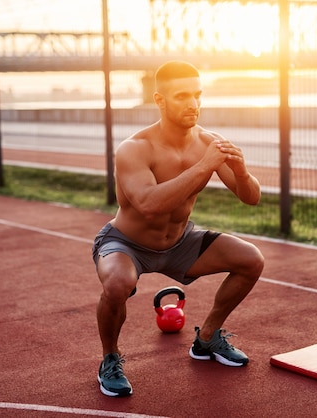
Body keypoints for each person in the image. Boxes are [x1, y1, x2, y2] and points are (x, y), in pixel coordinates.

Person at [91, 60, 264, 397]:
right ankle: (109, 359)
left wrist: (241, 173)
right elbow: (149, 205)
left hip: (179, 243)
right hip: (127, 244)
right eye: (182, 96)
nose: (193, 104)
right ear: (160, 100)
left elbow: (252, 198)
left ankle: (208, 338)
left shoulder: (208, 142)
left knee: (251, 260)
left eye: (197, 95)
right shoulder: (134, 149)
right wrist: (205, 166)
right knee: (118, 283)